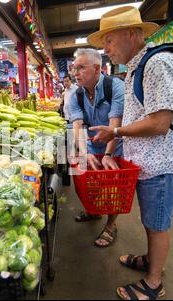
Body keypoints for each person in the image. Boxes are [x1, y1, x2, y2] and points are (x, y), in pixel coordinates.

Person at [87, 6, 173, 300]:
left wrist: (115, 133)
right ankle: (149, 259)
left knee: (157, 224)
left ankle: (153, 283)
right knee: (149, 219)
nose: (105, 49)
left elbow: (160, 122)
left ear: (132, 34)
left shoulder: (159, 63)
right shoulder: (137, 66)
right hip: (145, 162)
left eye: (109, 40)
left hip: (160, 163)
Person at [68, 48, 124, 248]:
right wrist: (84, 153)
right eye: (74, 69)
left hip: (114, 144)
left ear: (97, 68)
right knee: (84, 178)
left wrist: (108, 154)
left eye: (81, 68)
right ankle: (93, 210)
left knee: (112, 188)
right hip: (91, 144)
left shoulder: (115, 87)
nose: (75, 73)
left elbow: (115, 123)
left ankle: (111, 225)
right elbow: (77, 126)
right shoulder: (76, 95)